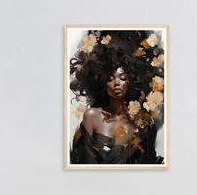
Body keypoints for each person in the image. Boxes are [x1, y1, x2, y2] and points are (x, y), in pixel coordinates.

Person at [69, 30, 165, 165]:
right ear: (102, 82)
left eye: (123, 78)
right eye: (110, 78)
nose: (116, 83)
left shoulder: (143, 124)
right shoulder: (92, 116)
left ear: (131, 80)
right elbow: (82, 162)